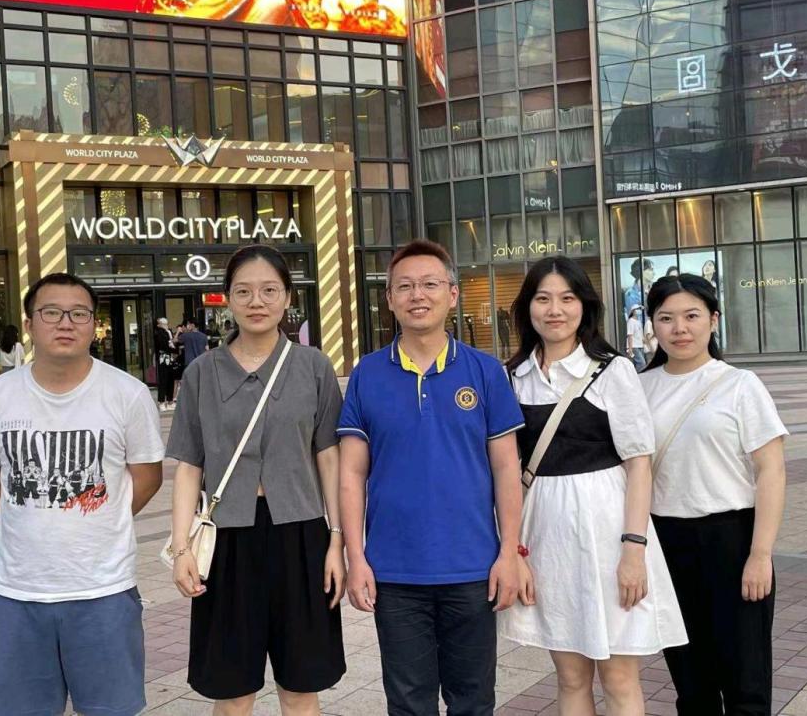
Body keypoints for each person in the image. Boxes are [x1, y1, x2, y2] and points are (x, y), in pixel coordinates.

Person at [0, 272, 164, 716]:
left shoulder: (127, 394)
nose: (65, 323)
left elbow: (147, 477)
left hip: (104, 590)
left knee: (111, 709)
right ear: (30, 323)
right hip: (18, 593)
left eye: (79, 314)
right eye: (51, 312)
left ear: (93, 324)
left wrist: (97, 515)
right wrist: (31, 515)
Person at [338, 239, 525, 716]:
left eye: (429, 284)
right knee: (407, 703)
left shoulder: (485, 372)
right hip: (394, 572)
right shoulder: (366, 375)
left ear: (452, 294)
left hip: (473, 569)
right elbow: (351, 473)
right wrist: (356, 557)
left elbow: (507, 468)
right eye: (404, 286)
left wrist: (509, 553)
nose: (417, 295)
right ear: (389, 299)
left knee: (474, 701)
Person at [499, 256, 686, 716]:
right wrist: (514, 552)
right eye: (543, 299)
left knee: (619, 678)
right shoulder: (513, 377)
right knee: (570, 678)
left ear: (584, 305)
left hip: (609, 537)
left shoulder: (612, 370)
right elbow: (507, 471)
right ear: (527, 308)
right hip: (546, 541)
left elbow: (638, 464)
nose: (555, 310)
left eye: (567, 298)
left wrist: (633, 551)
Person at [167, 244, 346, 715]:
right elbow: (189, 466)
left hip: (301, 536)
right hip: (227, 541)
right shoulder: (202, 373)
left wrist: (336, 541)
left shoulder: (314, 367)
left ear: (287, 296)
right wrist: (181, 549)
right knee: (232, 693)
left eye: (269, 290)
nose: (257, 301)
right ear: (227, 299)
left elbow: (329, 457)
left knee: (301, 688)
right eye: (243, 291)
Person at [640, 274, 787, 716]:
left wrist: (760, 554)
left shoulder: (740, 384)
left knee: (746, 680)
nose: (679, 328)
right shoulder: (639, 387)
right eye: (666, 318)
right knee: (691, 681)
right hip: (666, 541)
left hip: (731, 539)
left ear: (714, 319)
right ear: (652, 324)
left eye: (691, 316)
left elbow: (771, 470)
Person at [154, 317, 176, 412]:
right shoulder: (159, 333)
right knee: (163, 380)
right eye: (164, 324)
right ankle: (162, 402)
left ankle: (169, 401)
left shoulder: (168, 332)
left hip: (169, 358)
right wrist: (173, 349)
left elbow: (171, 344)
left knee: (170, 379)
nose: (165, 325)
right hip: (163, 358)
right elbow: (164, 345)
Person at [622, 258, 653, 324]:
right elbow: (635, 319)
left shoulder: (654, 289)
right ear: (641, 271)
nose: (653, 273)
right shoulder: (631, 294)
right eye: (650, 270)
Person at [625, 305, 645, 370]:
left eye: (640, 309)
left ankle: (635, 375)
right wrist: (630, 348)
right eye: (638, 309)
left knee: (637, 364)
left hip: (640, 345)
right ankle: (637, 375)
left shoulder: (638, 321)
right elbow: (630, 335)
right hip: (634, 346)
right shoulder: (631, 321)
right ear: (633, 311)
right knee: (642, 363)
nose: (640, 311)